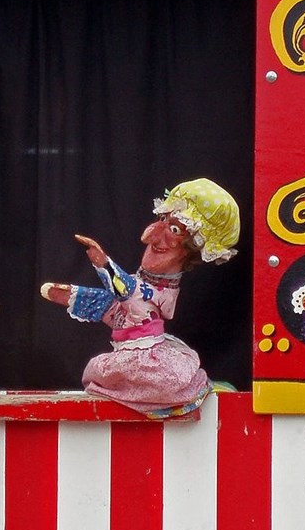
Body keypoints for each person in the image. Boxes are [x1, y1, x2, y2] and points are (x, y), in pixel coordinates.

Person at [41, 178, 239, 418]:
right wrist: (74, 296)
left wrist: (103, 263)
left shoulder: (156, 292)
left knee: (166, 382)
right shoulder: (141, 285)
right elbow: (114, 306)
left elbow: (129, 293)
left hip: (146, 359)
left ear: (192, 247)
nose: (152, 237)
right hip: (126, 353)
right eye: (162, 219)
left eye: (175, 229)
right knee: (100, 374)